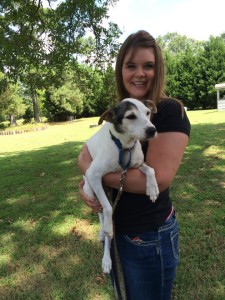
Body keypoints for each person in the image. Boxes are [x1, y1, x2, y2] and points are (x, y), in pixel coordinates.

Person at [78, 30, 191, 300]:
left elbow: (159, 179)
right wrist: (87, 182)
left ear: (158, 68)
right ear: (121, 70)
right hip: (120, 227)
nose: (140, 73)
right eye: (131, 66)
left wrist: (94, 172)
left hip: (150, 233)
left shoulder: (169, 111)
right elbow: (88, 155)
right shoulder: (119, 115)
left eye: (148, 65)